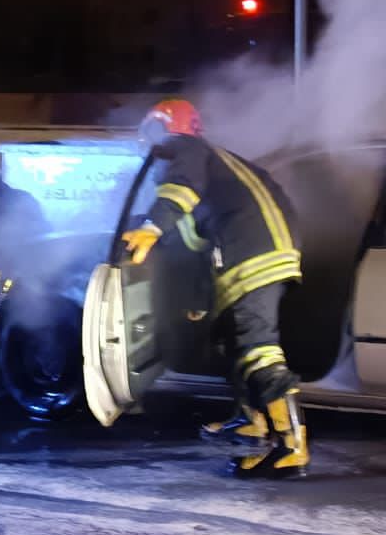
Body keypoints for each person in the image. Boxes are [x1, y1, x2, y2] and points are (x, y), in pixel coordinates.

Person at [122, 99, 310, 480]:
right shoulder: (219, 161)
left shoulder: (186, 148)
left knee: (258, 349)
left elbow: (181, 190)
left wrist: (152, 227)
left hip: (252, 254)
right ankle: (254, 426)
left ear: (164, 128)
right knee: (235, 343)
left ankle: (292, 446)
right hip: (257, 251)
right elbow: (195, 239)